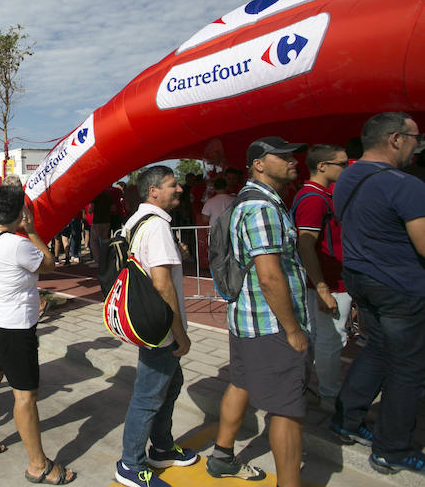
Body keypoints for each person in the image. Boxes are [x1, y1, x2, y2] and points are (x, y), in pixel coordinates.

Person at [207, 137, 310, 487]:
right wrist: (293, 329)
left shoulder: (248, 203)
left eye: (292, 154)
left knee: (241, 382)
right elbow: (269, 276)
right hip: (271, 324)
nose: (292, 160)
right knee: (286, 408)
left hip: (246, 319)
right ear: (259, 164)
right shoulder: (263, 208)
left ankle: (222, 456)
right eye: (282, 156)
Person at [330, 112, 425, 475]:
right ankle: (393, 449)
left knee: (380, 348)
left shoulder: (348, 177)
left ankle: (347, 419)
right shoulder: (406, 184)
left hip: (361, 279)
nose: (418, 147)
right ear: (396, 139)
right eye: (416, 138)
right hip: (401, 287)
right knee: (409, 368)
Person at [0, 185, 75, 484]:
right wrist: (33, 231)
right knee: (25, 396)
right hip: (14, 328)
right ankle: (38, 464)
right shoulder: (19, 245)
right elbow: (49, 264)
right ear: (20, 213)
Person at [113, 166, 197, 487]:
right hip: (161, 328)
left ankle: (161, 447)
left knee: (170, 384)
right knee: (148, 395)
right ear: (154, 192)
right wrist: (180, 333)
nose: (179, 190)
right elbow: (163, 285)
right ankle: (130, 464)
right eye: (172, 185)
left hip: (146, 321)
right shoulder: (158, 228)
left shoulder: (137, 220)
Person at [291, 144, 350, 408]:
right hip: (327, 282)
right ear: (322, 166)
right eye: (342, 164)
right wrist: (324, 288)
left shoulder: (319, 195)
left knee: (319, 337)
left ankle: (305, 387)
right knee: (331, 340)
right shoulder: (314, 198)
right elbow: (306, 245)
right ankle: (330, 396)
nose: (346, 168)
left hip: (325, 281)